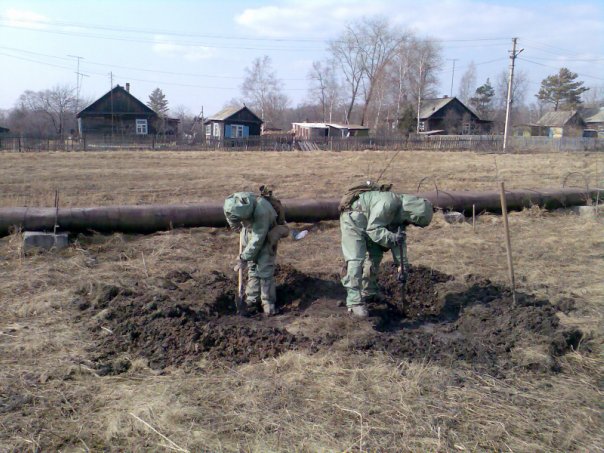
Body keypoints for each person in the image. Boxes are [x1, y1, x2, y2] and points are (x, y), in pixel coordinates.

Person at [339, 182, 433, 317]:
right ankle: (354, 302)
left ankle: (369, 291)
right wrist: (392, 237)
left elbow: (398, 242)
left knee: (375, 255)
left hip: (370, 221)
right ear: (413, 214)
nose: (411, 224)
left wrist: (402, 266)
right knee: (356, 259)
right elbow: (374, 230)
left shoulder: (401, 214)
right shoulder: (389, 204)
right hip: (353, 218)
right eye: (414, 222)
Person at [223, 187, 289, 316]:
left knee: (264, 270)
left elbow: (258, 238)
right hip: (250, 233)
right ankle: (252, 299)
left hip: (267, 237)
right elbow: (233, 222)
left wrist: (244, 256)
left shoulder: (261, 210)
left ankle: (268, 302)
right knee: (253, 268)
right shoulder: (231, 204)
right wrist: (241, 232)